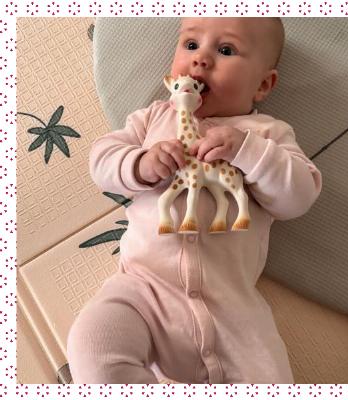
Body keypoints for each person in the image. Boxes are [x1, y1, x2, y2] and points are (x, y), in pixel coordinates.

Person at [67, 17, 322, 384]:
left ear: (263, 85)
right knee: (92, 344)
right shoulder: (153, 118)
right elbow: (101, 159)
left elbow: (298, 197)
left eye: (226, 50)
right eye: (190, 45)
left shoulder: (267, 134)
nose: (201, 58)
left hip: (233, 309)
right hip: (143, 289)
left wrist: (248, 151)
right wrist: (141, 163)